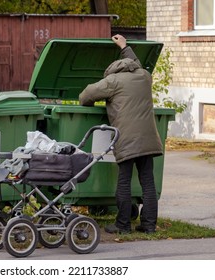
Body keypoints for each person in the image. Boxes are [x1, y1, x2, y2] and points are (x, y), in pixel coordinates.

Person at [79, 34, 163, 234]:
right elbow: (136, 63)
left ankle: (123, 224)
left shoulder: (113, 80)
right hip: (149, 138)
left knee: (124, 180)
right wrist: (124, 46)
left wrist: (92, 104)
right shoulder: (144, 76)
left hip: (126, 139)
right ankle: (149, 225)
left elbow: (85, 96)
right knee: (148, 181)